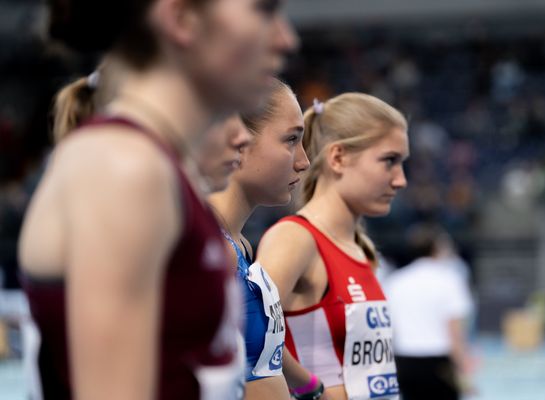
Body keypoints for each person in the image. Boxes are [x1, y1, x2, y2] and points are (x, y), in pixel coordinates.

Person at [17, 0, 297, 399]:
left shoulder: (156, 168)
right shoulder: (126, 169)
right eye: (264, 11)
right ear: (182, 19)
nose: (286, 39)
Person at [256, 93, 409, 400]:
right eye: (389, 161)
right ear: (338, 158)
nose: (401, 180)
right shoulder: (295, 239)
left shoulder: (360, 249)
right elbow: (248, 333)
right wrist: (311, 388)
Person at [209, 79, 310, 399]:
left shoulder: (238, 244)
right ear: (237, 139)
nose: (304, 161)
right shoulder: (208, 248)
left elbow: (264, 363)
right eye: (291, 140)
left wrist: (311, 389)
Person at [383, 224, 475, 400]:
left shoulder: (395, 281)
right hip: (438, 361)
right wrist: (463, 368)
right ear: (437, 248)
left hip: (403, 360)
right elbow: (454, 330)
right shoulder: (450, 280)